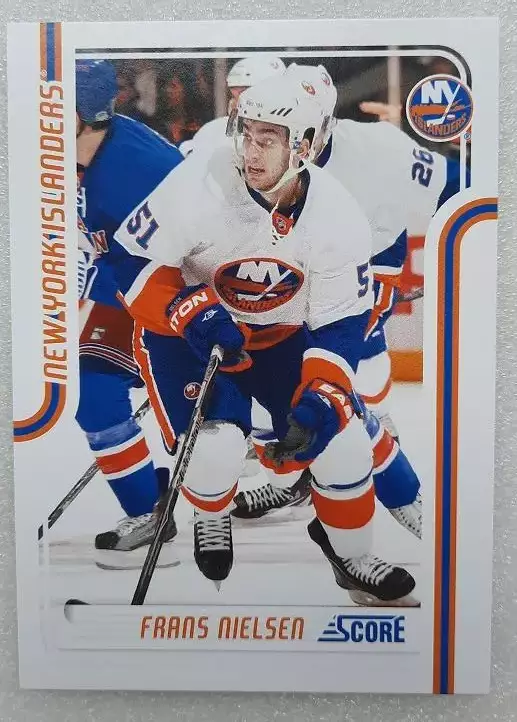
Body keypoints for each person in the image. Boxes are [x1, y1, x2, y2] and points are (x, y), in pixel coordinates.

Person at [110, 71, 417, 604]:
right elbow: (130, 260)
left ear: (306, 145)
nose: (250, 152)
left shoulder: (338, 214)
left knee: (341, 441)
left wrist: (322, 397)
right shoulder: (203, 180)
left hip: (278, 336)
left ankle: (351, 553)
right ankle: (211, 512)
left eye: (268, 139)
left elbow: (340, 324)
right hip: (189, 339)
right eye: (246, 133)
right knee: (217, 447)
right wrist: (189, 309)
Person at [75, 59, 184, 569]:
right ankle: (146, 508)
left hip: (169, 294)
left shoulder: (138, 171)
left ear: (82, 112)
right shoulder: (76, 151)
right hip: (122, 286)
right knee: (94, 397)